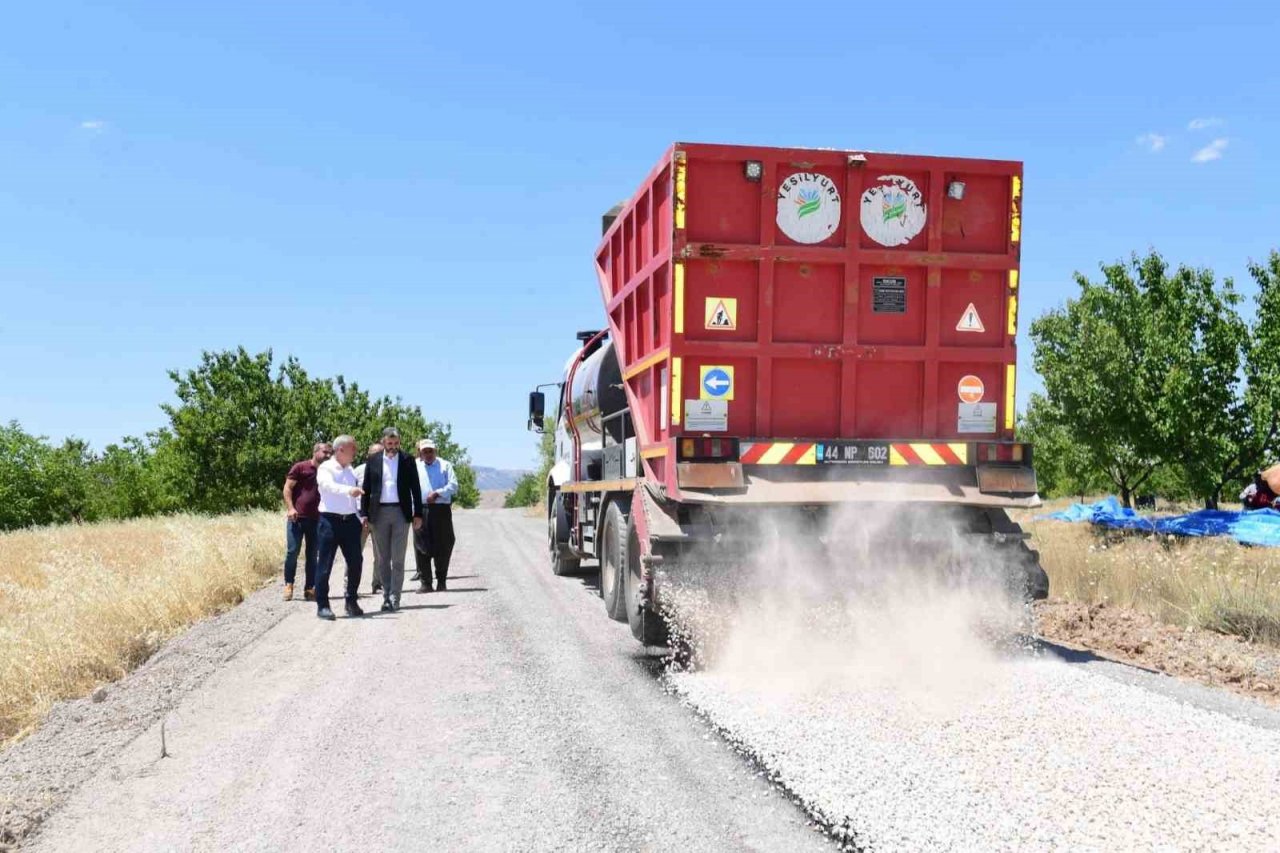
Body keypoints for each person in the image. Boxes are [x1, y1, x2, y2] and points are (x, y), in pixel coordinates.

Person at [361, 428, 423, 612]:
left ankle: (396, 597)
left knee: (398, 558)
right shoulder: (373, 460)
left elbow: (416, 488)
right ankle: (386, 595)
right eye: (390, 443)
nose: (393, 447)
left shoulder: (407, 460)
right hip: (378, 513)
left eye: (396, 444)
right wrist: (364, 514)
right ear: (383, 442)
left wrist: (417, 513)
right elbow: (366, 488)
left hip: (400, 513)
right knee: (382, 558)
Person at [315, 436, 366, 620]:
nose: (355, 452)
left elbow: (357, 495)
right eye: (353, 448)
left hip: (350, 522)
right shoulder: (326, 468)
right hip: (329, 521)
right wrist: (348, 490)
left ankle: (351, 601)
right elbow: (327, 486)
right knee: (324, 565)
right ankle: (323, 605)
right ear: (341, 450)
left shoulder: (351, 471)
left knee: (356, 562)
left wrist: (360, 516)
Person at [282, 442, 331, 601]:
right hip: (297, 518)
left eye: (330, 453)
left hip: (317, 519)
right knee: (293, 551)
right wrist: (290, 508)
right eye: (325, 452)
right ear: (316, 452)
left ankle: (310, 588)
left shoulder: (328, 471)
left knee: (312, 554)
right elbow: (287, 488)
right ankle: (289, 584)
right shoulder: (300, 468)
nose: (328, 456)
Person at [415, 438, 458, 592]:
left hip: (441, 510)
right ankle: (426, 582)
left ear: (435, 451)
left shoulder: (445, 465)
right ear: (420, 453)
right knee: (421, 546)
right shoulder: (415, 466)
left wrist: (438, 493)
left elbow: (453, 485)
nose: (428, 454)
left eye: (430, 451)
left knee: (444, 544)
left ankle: (441, 580)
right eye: (424, 451)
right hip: (422, 510)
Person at [353, 442, 382, 594]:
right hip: (359, 516)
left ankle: (377, 583)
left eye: (380, 453)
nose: (377, 456)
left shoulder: (387, 471)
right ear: (367, 455)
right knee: (355, 554)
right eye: (374, 453)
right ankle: (351, 587)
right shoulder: (357, 471)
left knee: (381, 554)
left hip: (379, 516)